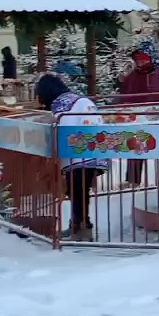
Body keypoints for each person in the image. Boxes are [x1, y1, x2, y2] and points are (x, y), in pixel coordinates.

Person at [36, 73, 107, 238]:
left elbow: (63, 128)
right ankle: (80, 224)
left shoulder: (62, 104)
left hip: (78, 154)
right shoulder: (76, 99)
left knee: (77, 192)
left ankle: (81, 227)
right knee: (80, 192)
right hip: (94, 151)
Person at [114, 42, 159, 185]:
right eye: (138, 60)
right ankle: (133, 179)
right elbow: (126, 95)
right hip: (140, 117)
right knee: (136, 144)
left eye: (143, 59)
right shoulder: (134, 76)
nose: (140, 63)